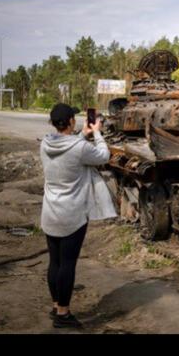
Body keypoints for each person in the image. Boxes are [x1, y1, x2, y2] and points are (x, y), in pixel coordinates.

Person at [39, 103, 117, 328]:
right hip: (72, 216)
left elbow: (70, 148)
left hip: (50, 213)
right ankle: (63, 315)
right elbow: (103, 156)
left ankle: (56, 306)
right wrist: (97, 133)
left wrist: (82, 135)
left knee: (54, 262)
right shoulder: (79, 148)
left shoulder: (45, 144)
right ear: (71, 121)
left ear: (53, 124)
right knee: (68, 265)